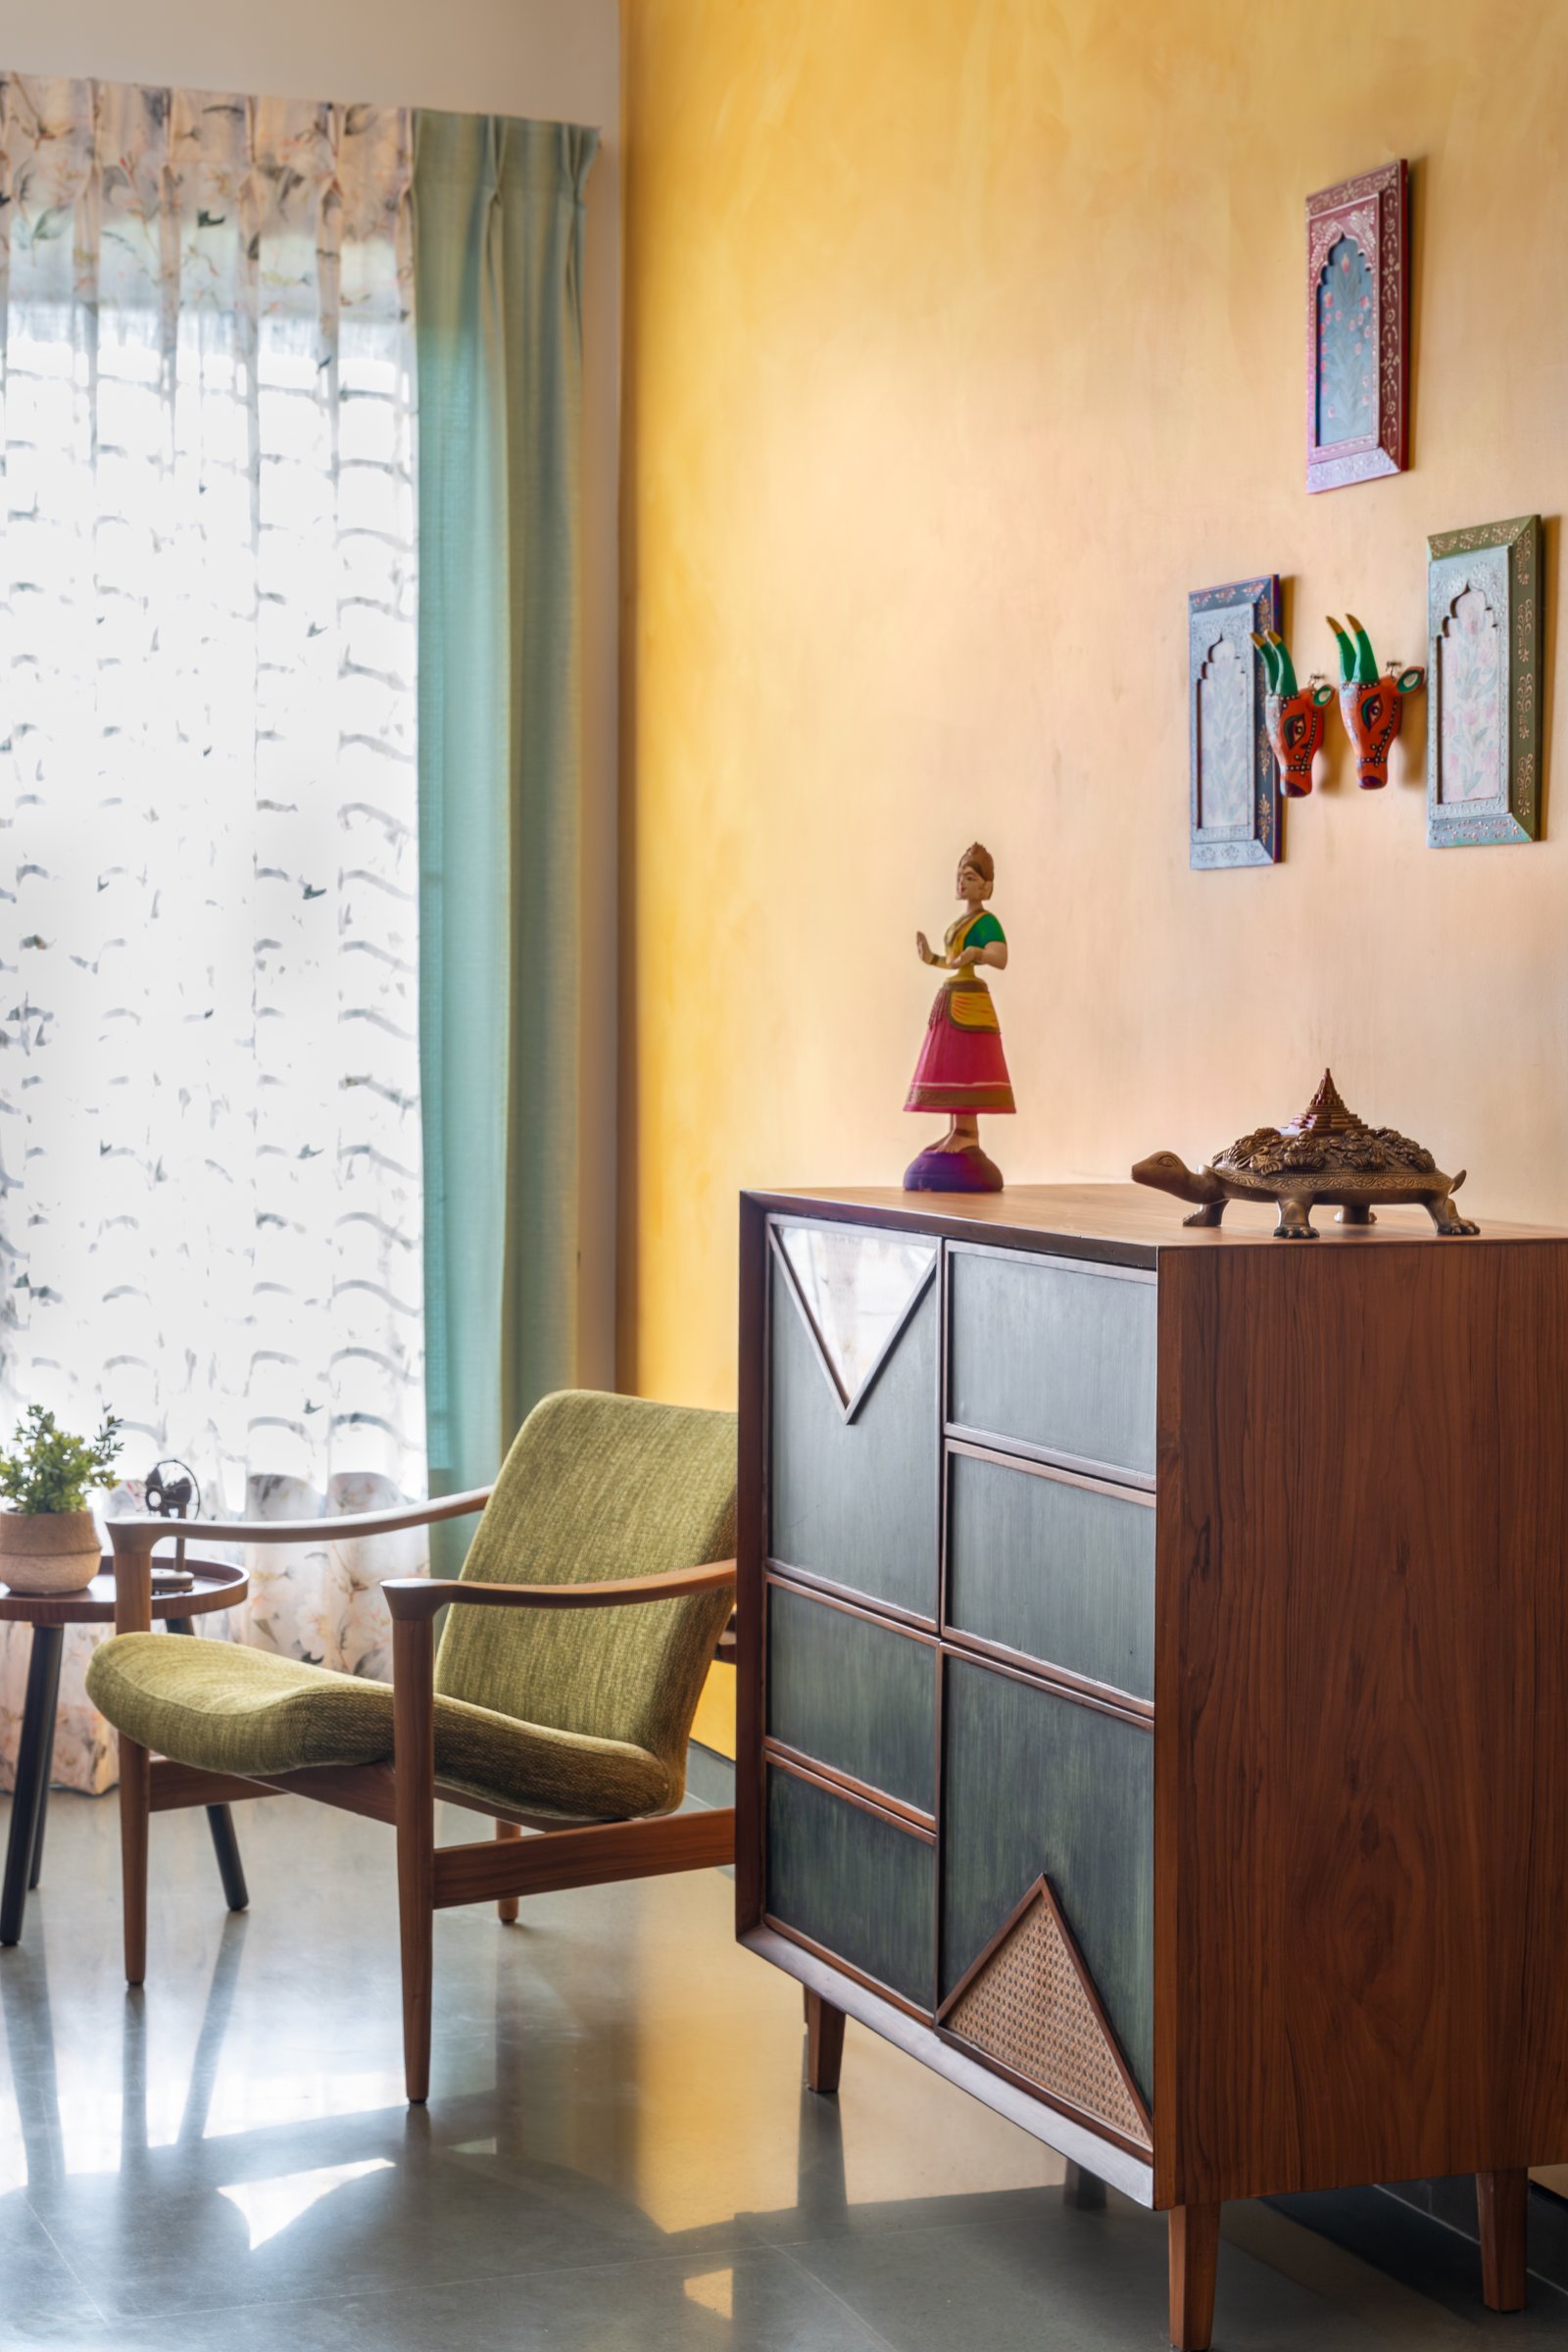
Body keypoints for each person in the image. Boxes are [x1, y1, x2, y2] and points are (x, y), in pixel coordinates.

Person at [904, 842, 1014, 1192]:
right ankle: (956, 1128)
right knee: (952, 1066)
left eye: (970, 877)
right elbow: (953, 962)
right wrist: (930, 958)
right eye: (960, 876)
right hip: (953, 997)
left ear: (986, 887)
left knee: (968, 1066)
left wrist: (978, 952)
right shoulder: (959, 922)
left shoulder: (986, 922)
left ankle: (968, 1133)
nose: (962, 883)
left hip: (970, 1004)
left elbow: (1000, 957)